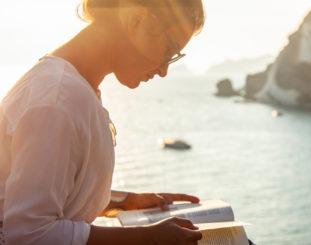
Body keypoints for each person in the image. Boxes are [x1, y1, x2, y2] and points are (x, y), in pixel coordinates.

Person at [0, 0, 205, 244]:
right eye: (168, 52)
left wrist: (124, 201)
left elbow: (57, 195)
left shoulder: (74, 89)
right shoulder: (57, 101)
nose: (163, 71)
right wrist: (146, 238)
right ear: (136, 20)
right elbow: (27, 234)